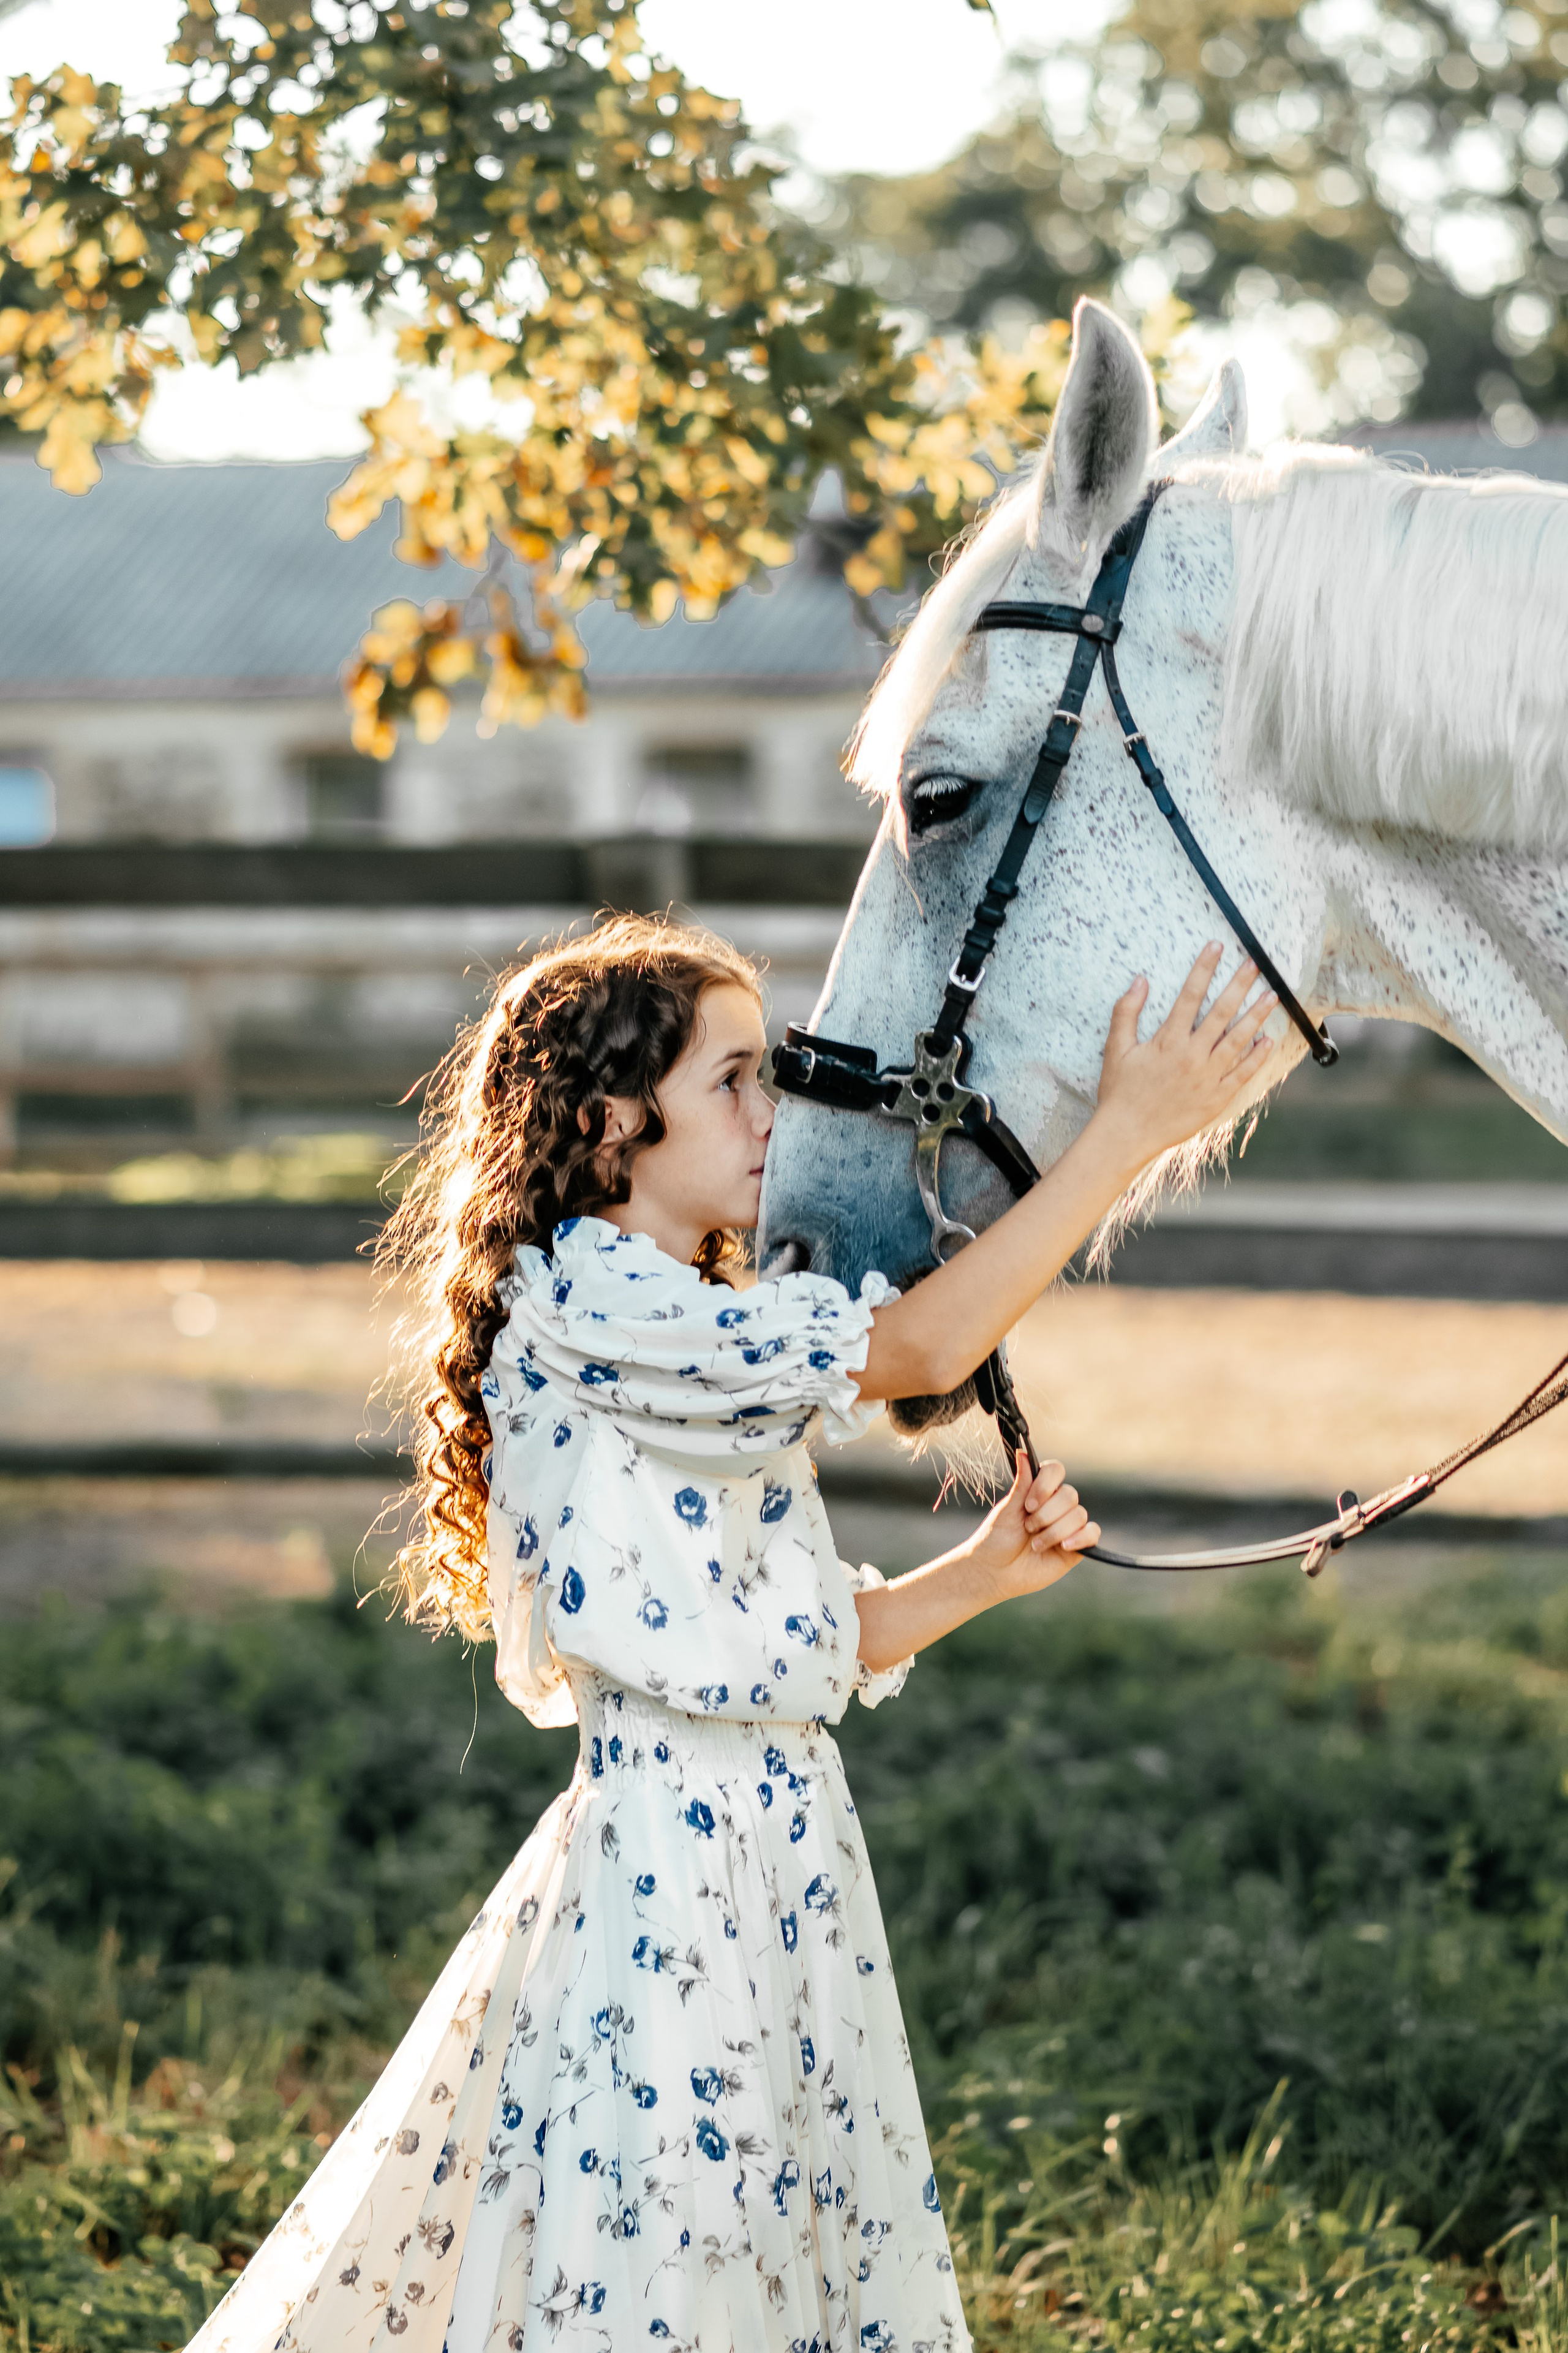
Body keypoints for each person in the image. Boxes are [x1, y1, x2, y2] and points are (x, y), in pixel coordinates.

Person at [186, 913, 1276, 2353]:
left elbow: (777, 1647)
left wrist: (978, 1575)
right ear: (607, 1120)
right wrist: (1123, 1132)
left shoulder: (688, 1316)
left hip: (777, 1840)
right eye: (737, 1080)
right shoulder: (598, 1300)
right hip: (680, 1864)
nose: (776, 1114)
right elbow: (917, 1352)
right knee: (683, 2242)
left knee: (770, 2233)